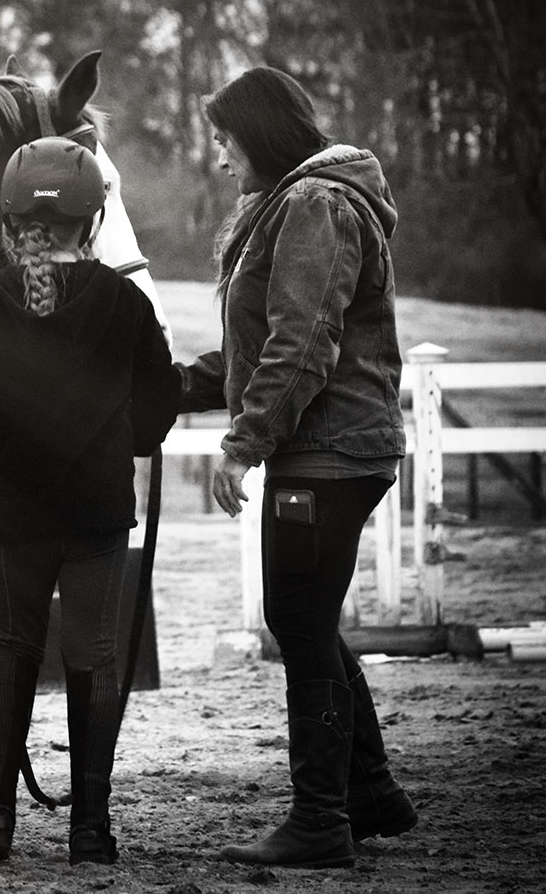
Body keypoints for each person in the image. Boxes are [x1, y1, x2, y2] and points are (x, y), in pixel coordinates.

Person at [178, 67, 418, 869]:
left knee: (300, 622)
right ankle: (370, 793)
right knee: (306, 620)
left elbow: (305, 339)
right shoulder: (298, 203)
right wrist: (172, 382)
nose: (218, 158)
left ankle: (320, 821)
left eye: (223, 139)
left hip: (327, 454)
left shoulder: (313, 205)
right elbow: (264, 344)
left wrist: (243, 442)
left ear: (261, 131)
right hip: (332, 450)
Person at [0, 136, 180, 866]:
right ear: (95, 215)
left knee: (13, 651)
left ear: (11, 220)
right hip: (99, 510)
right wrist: (114, 443)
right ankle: (91, 829)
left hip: (15, 514)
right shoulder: (126, 302)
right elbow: (158, 411)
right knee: (94, 656)